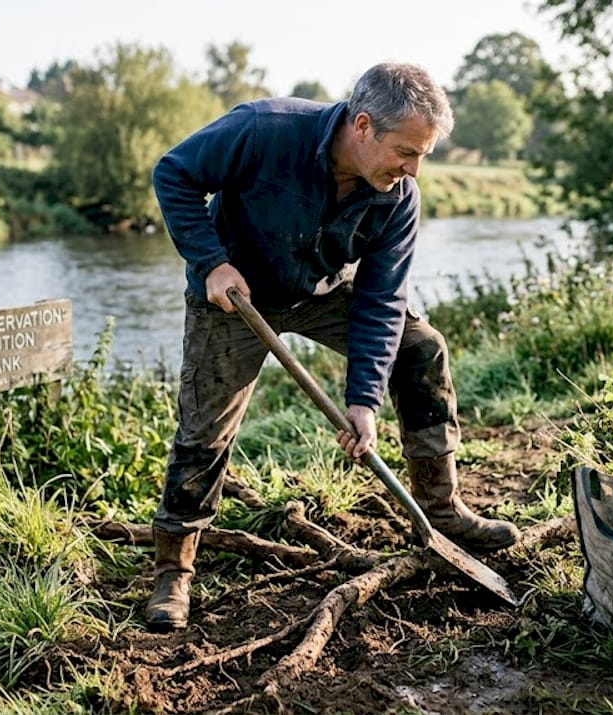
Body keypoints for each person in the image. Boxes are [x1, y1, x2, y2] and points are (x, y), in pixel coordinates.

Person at [145, 61, 519, 632]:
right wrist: (211, 262)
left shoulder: (398, 196)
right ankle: (174, 568)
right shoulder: (263, 129)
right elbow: (173, 174)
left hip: (322, 291)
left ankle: (440, 509)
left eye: (423, 155)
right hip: (234, 294)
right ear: (363, 125)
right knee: (205, 427)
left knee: (420, 348)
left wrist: (363, 402)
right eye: (406, 151)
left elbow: (381, 299)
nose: (414, 169)